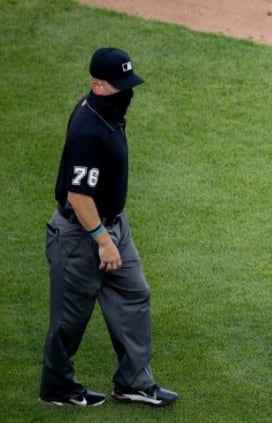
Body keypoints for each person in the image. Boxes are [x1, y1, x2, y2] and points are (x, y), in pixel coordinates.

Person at [39, 47, 178, 407]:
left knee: (134, 295)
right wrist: (102, 241)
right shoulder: (89, 129)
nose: (128, 93)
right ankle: (57, 388)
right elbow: (79, 196)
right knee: (70, 320)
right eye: (121, 86)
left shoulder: (107, 111)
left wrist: (112, 235)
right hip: (81, 234)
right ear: (97, 86)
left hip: (114, 228)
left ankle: (134, 382)